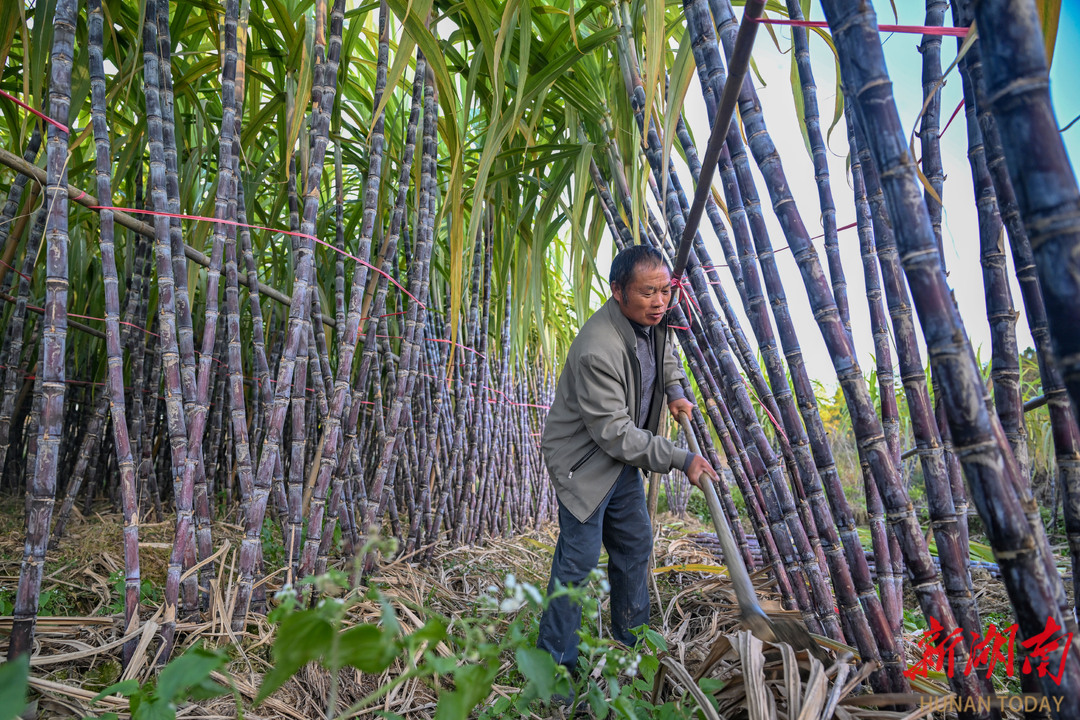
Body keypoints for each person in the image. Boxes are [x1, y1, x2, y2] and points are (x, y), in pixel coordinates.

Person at [536, 245, 719, 676]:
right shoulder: (597, 347)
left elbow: (664, 353)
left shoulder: (651, 320)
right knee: (577, 565)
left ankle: (631, 651)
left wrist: (674, 390)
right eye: (646, 293)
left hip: (619, 462)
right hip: (584, 464)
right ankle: (554, 668)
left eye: (663, 291)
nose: (658, 303)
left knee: (635, 545)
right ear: (617, 290)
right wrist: (681, 457)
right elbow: (614, 434)